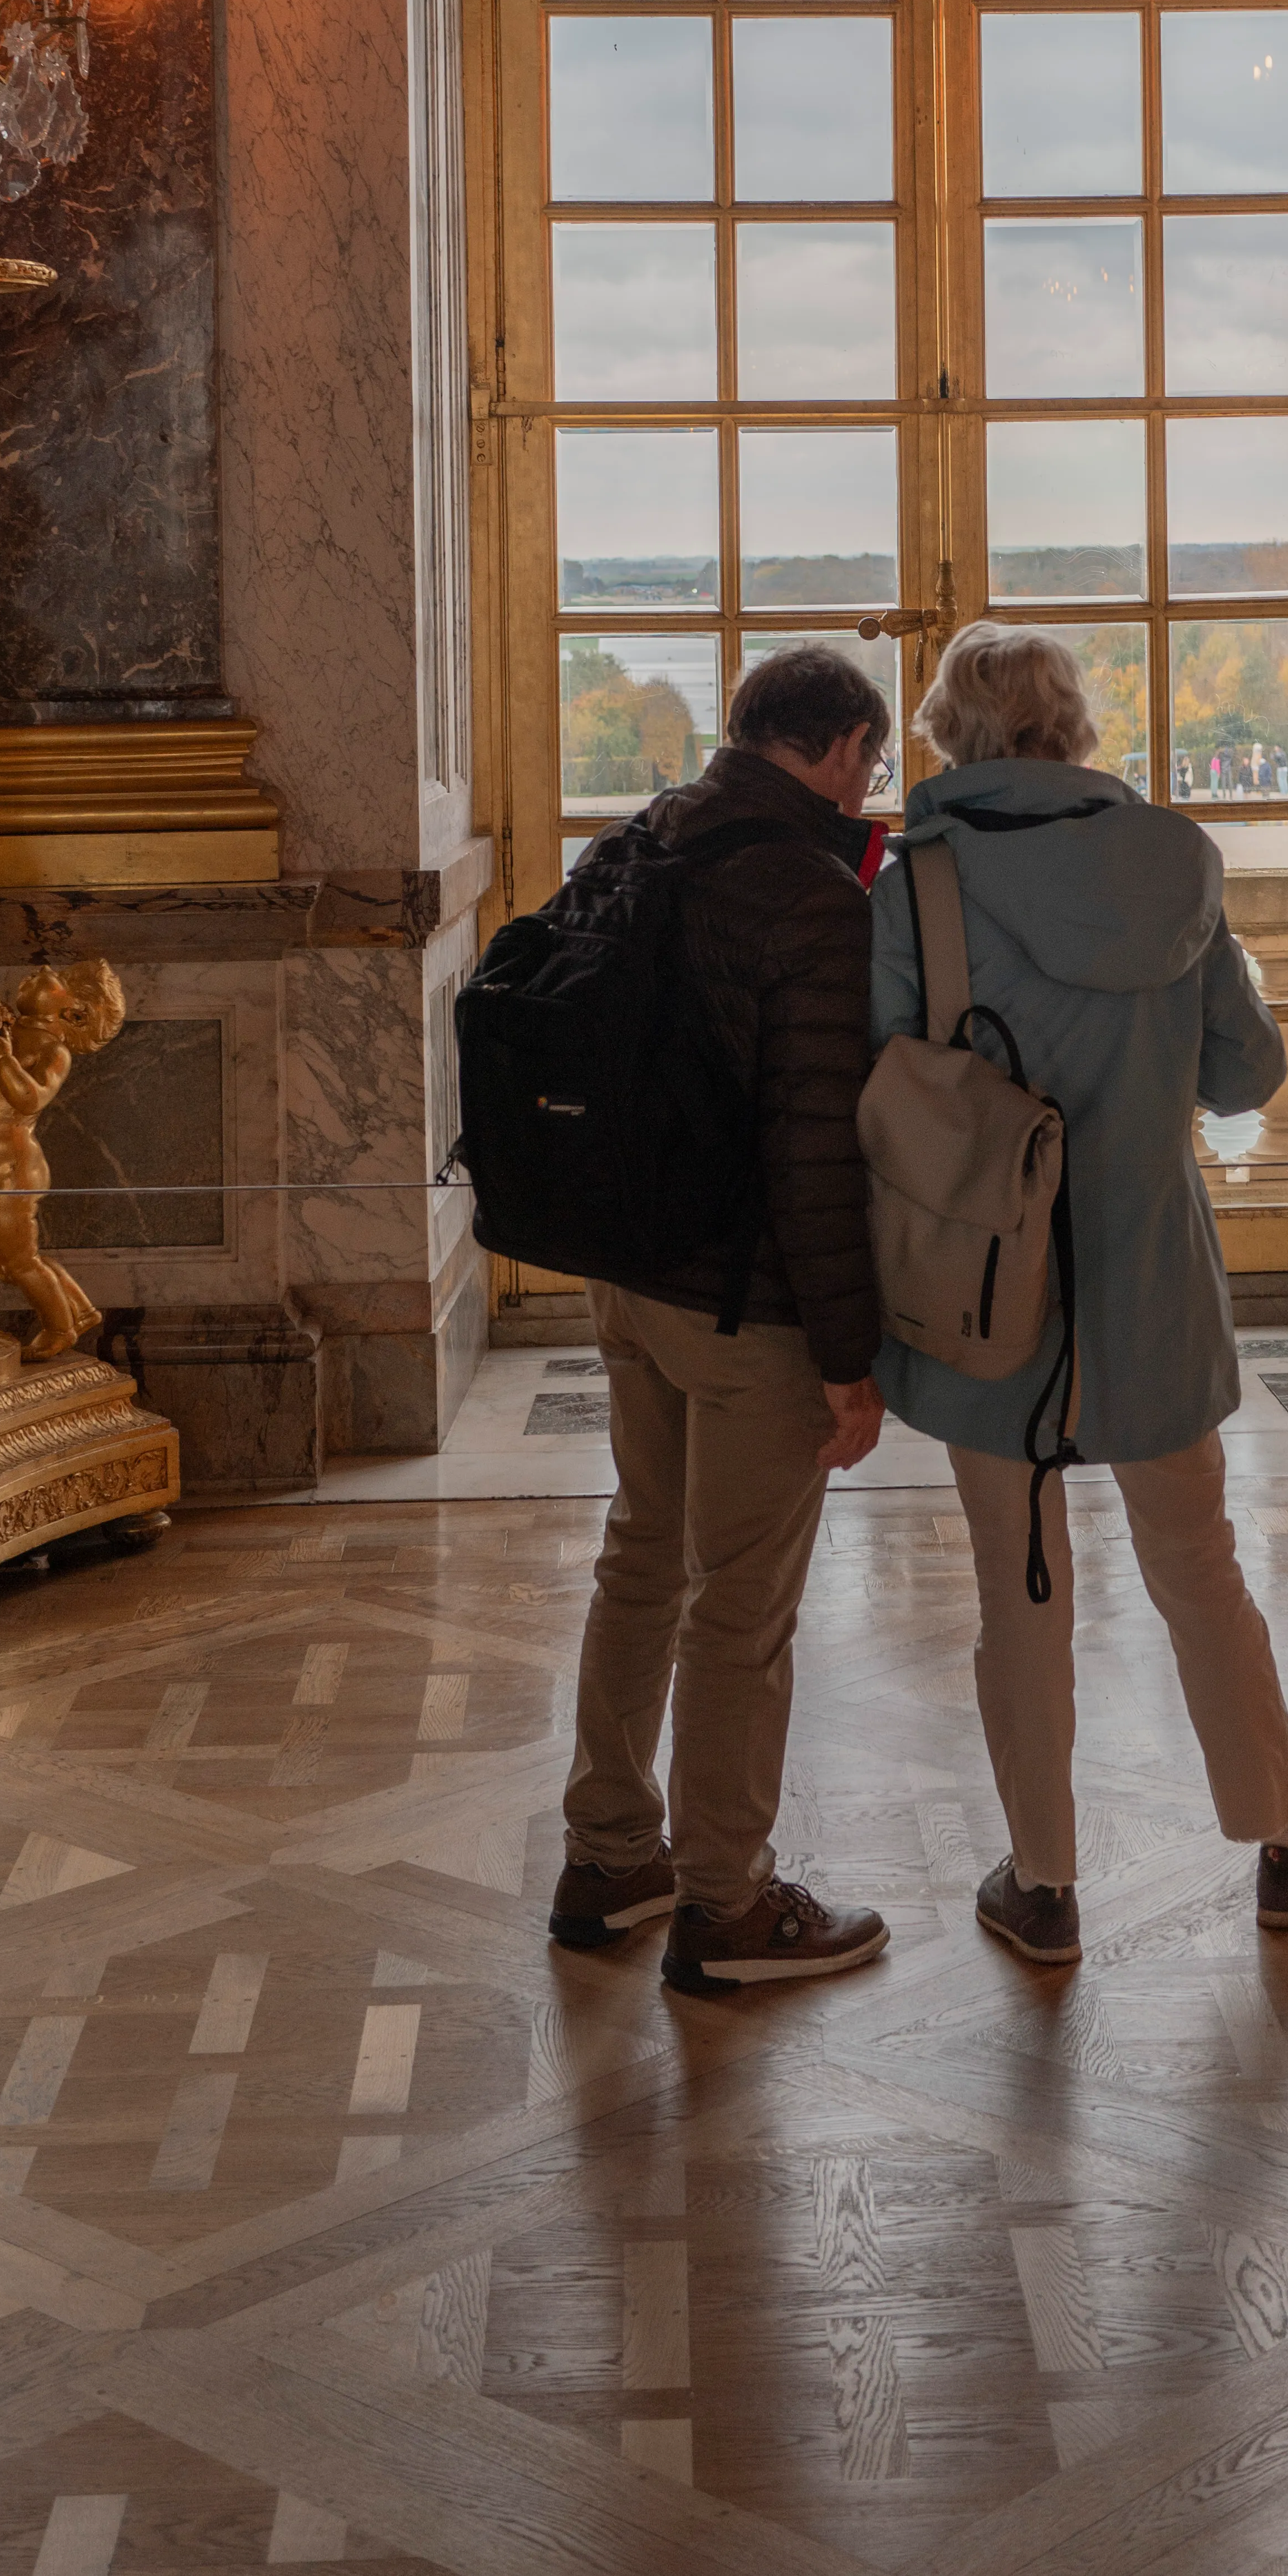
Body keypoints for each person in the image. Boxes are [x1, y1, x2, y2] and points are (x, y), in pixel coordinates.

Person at [869, 621, 1288, 1969]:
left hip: (982, 1289)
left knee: (1015, 1590)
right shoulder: (1179, 862)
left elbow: (884, 1091)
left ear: (948, 734)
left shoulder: (919, 886)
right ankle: (1284, 1842)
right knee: (1200, 1569)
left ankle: (1043, 1883)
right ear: (1075, 725)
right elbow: (1244, 1076)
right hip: (1146, 1268)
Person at [551, 641, 897, 1999]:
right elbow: (814, 1147)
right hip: (742, 1295)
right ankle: (728, 1905)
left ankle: (609, 1855)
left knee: (640, 1556)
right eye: (866, 759)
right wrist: (849, 1359)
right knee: (741, 1607)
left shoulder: (636, 839)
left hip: (622, 1271)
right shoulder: (803, 891)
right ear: (834, 747)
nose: (868, 785)